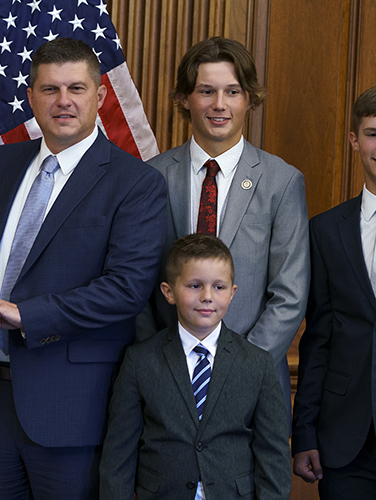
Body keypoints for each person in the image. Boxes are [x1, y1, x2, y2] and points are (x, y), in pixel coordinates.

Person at [0, 37, 168, 499]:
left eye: (76, 88)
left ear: (99, 96)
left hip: (73, 407)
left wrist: (26, 314)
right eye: (50, 89)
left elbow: (126, 290)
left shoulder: (135, 182)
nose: (63, 101)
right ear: (31, 97)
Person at [139, 37, 309, 419]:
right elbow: (137, 283)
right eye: (206, 91)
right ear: (185, 98)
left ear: (249, 99)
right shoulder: (150, 178)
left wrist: (238, 369)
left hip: (253, 387)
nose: (219, 104)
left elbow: (290, 294)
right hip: (164, 383)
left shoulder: (282, 182)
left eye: (232, 91)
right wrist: (160, 362)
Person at [100, 234, 291, 499]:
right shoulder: (140, 360)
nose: (207, 297)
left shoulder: (258, 363)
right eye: (194, 285)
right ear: (169, 292)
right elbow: (118, 455)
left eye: (219, 287)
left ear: (233, 292)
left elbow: (273, 455)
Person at [292, 86, 376, 497]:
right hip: (346, 441)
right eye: (374, 132)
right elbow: (318, 338)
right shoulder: (325, 230)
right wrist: (304, 430)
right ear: (354, 140)